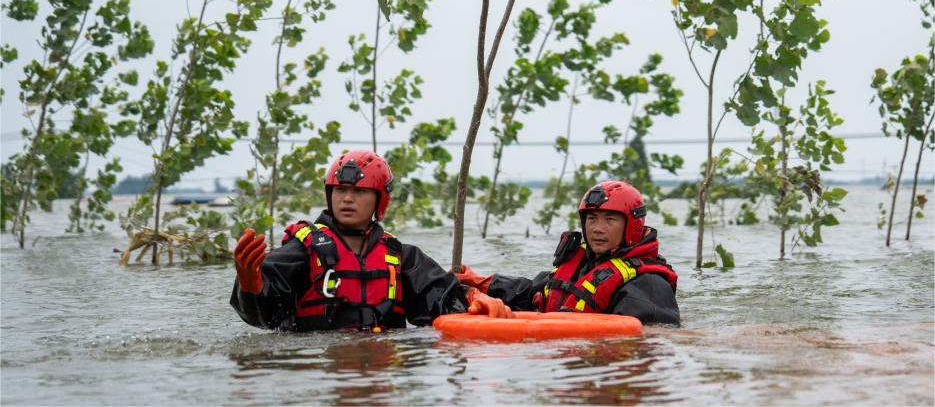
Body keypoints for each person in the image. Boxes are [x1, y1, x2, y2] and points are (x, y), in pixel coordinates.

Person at [230, 150, 512, 332]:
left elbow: (443, 296)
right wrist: (249, 284)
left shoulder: (401, 256)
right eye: (340, 190)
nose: (347, 198)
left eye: (359, 191)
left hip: (381, 358)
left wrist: (474, 296)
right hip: (320, 363)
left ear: (380, 200)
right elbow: (263, 318)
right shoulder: (302, 250)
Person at [456, 180, 680, 325]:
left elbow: (646, 342)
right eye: (591, 219)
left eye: (609, 220)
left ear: (632, 226)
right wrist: (480, 283)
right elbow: (534, 293)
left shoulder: (649, 285)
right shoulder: (582, 264)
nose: (597, 229)